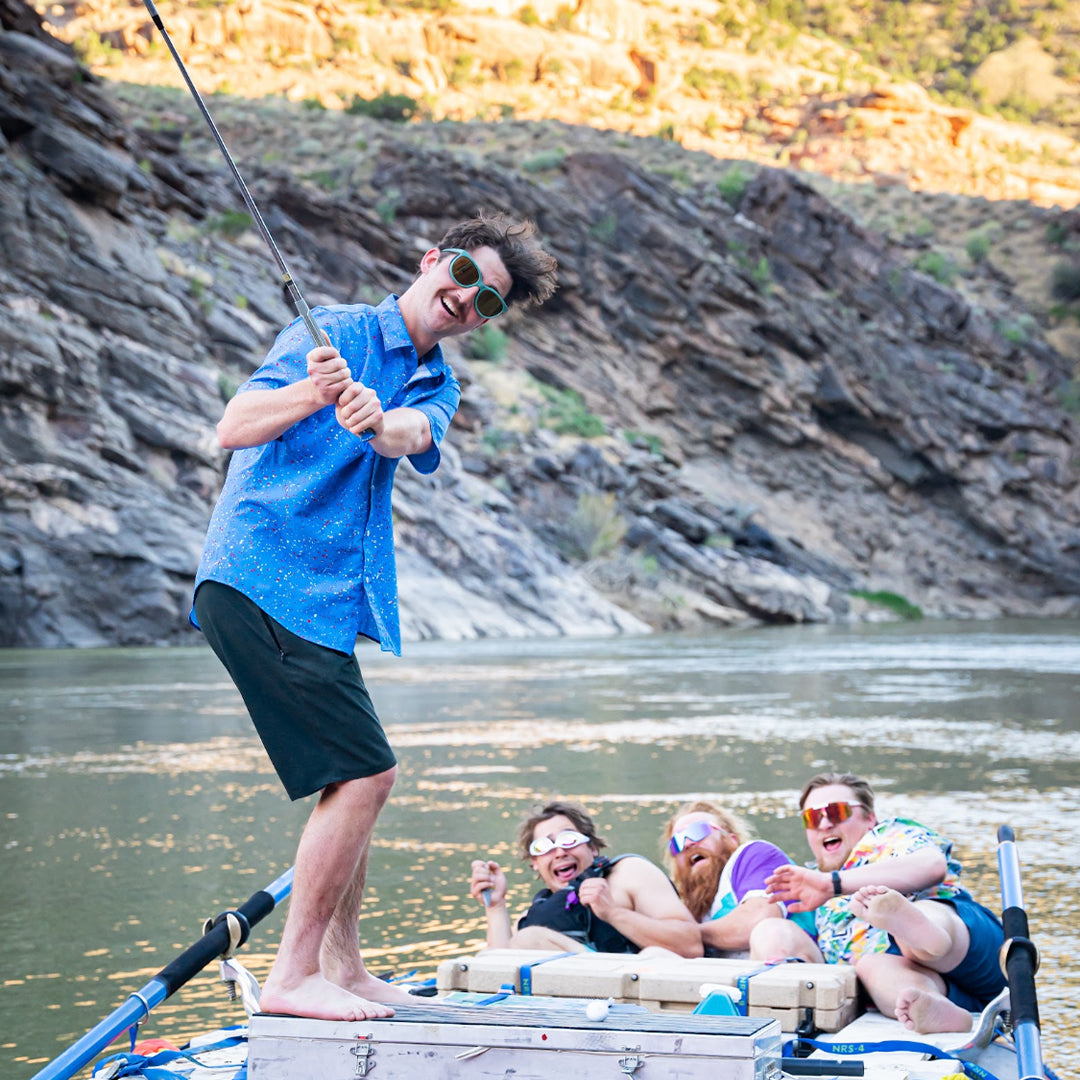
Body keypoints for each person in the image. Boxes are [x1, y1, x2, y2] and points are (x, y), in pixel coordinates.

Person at [191, 212, 558, 1022]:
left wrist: (373, 420)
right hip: (260, 580)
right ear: (434, 259)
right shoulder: (333, 331)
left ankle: (343, 966)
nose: (467, 300)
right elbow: (232, 427)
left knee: (350, 777)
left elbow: (410, 434)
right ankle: (293, 979)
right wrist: (314, 392)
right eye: (463, 276)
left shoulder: (438, 381)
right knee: (369, 775)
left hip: (321, 607)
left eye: (489, 302)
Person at [765, 772, 1006, 1034]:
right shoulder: (807, 882)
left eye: (835, 812)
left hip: (968, 950)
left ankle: (917, 930)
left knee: (925, 914)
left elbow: (931, 865)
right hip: (931, 987)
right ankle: (931, 1007)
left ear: (869, 818)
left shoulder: (886, 836)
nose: (824, 824)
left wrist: (832, 884)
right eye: (812, 817)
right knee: (872, 967)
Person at [469, 800, 703, 957]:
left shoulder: (628, 874)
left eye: (569, 839)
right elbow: (497, 970)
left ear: (592, 848)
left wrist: (613, 913)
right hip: (567, 1010)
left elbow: (691, 946)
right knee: (490, 955)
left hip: (632, 995)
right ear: (535, 864)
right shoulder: (534, 915)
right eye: (544, 846)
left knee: (529, 940)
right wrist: (496, 905)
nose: (560, 852)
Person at [663, 800, 818, 960]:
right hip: (729, 980)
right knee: (655, 955)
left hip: (801, 974)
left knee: (771, 931)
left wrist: (684, 935)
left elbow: (757, 920)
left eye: (698, 831)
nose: (688, 844)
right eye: (677, 842)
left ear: (732, 839)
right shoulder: (684, 904)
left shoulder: (755, 855)